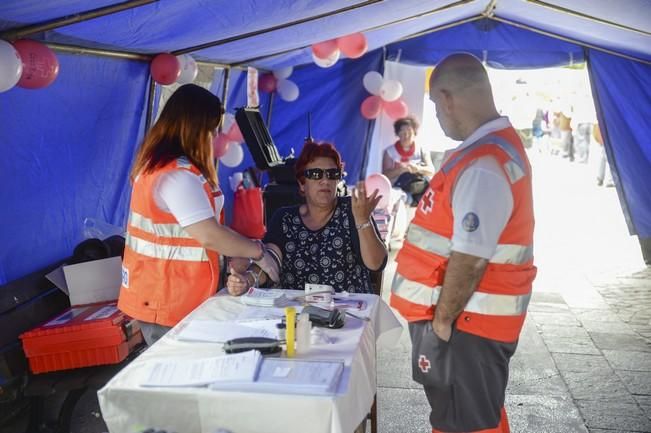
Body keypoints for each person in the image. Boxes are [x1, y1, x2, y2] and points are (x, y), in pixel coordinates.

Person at [390, 53, 537, 433]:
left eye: (437, 107)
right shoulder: (490, 151)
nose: (438, 116)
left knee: (465, 424)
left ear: (447, 98)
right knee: (472, 419)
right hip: (471, 323)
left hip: (465, 324)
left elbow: (470, 259)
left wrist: (441, 323)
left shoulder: (483, 164)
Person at [118, 84, 265, 346]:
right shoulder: (176, 177)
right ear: (194, 128)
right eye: (211, 130)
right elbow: (210, 236)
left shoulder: (163, 168)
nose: (214, 138)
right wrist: (259, 252)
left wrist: (239, 252)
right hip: (169, 299)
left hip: (167, 295)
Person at [226, 140, 388, 295]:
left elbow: (376, 264)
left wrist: (363, 220)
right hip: (295, 312)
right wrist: (247, 280)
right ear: (302, 183)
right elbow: (270, 262)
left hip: (348, 315)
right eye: (316, 174)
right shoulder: (284, 219)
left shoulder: (354, 210)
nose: (325, 180)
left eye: (332, 174)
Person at [382, 116, 434, 205]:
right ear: (397, 134)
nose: (406, 136)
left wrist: (418, 168)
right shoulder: (390, 151)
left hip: (420, 188)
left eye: (409, 132)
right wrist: (401, 170)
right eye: (402, 132)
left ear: (414, 133)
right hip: (399, 189)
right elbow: (385, 175)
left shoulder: (422, 150)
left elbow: (431, 170)